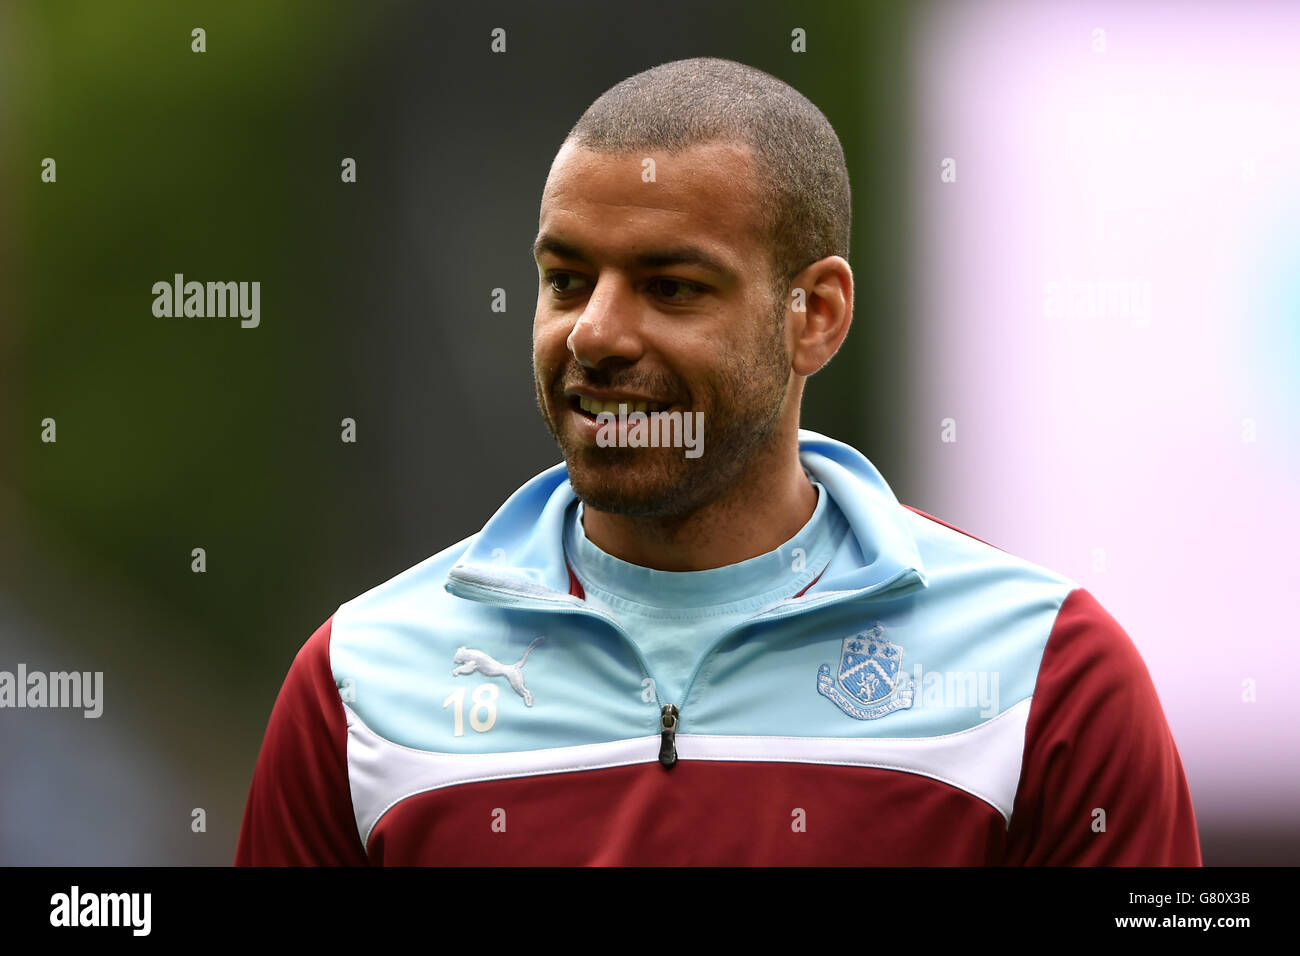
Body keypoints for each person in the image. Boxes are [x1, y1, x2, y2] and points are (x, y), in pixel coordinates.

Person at [235, 56, 1200, 865]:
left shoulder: (1050, 677)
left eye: (671, 286)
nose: (596, 335)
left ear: (814, 315)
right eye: (566, 280)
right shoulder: (358, 685)